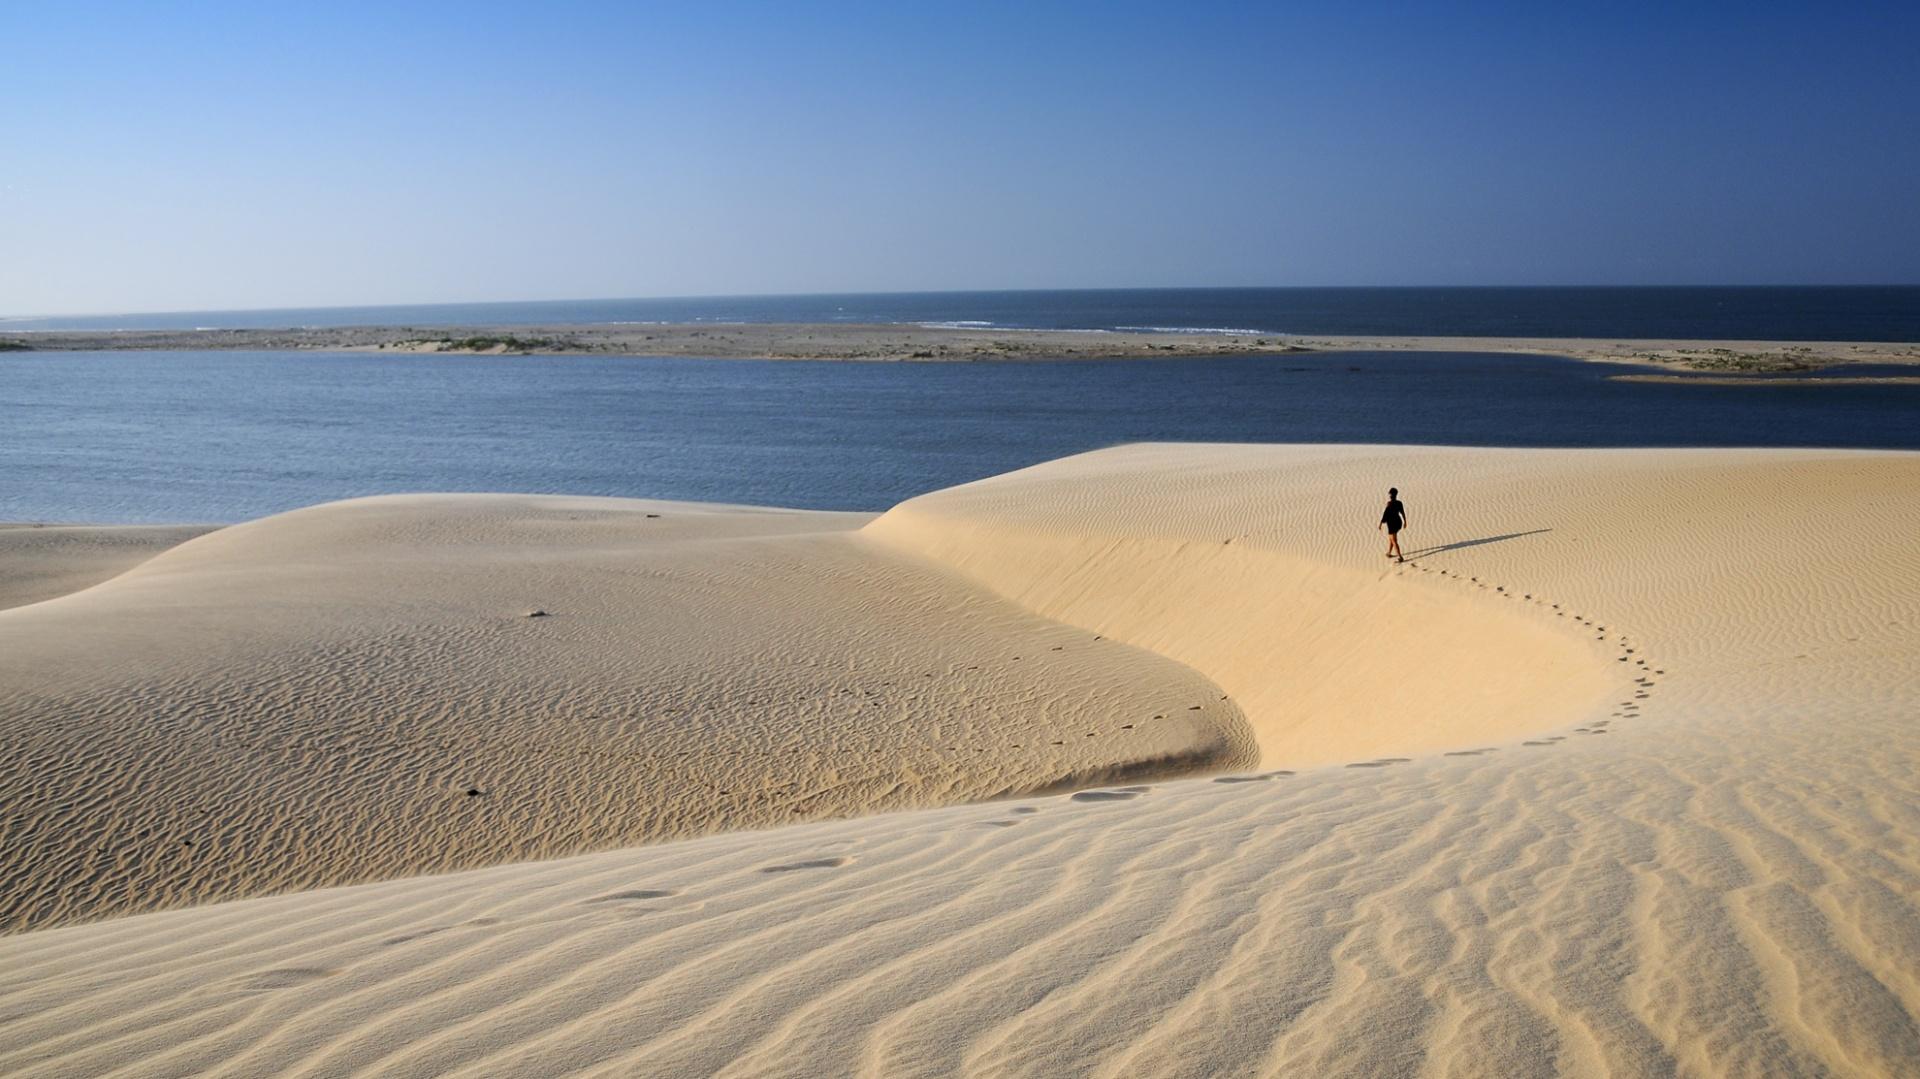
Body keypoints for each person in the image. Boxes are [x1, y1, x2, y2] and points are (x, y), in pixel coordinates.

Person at [1379, 487, 1407, 562]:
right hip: (1398, 523)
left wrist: (1380, 523)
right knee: (1391, 538)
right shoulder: (1399, 503)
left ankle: (1400, 556)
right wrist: (1405, 522)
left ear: (1391, 495)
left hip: (1392, 524)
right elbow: (1402, 513)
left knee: (1394, 540)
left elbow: (1385, 514)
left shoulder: (1389, 504)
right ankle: (1389, 553)